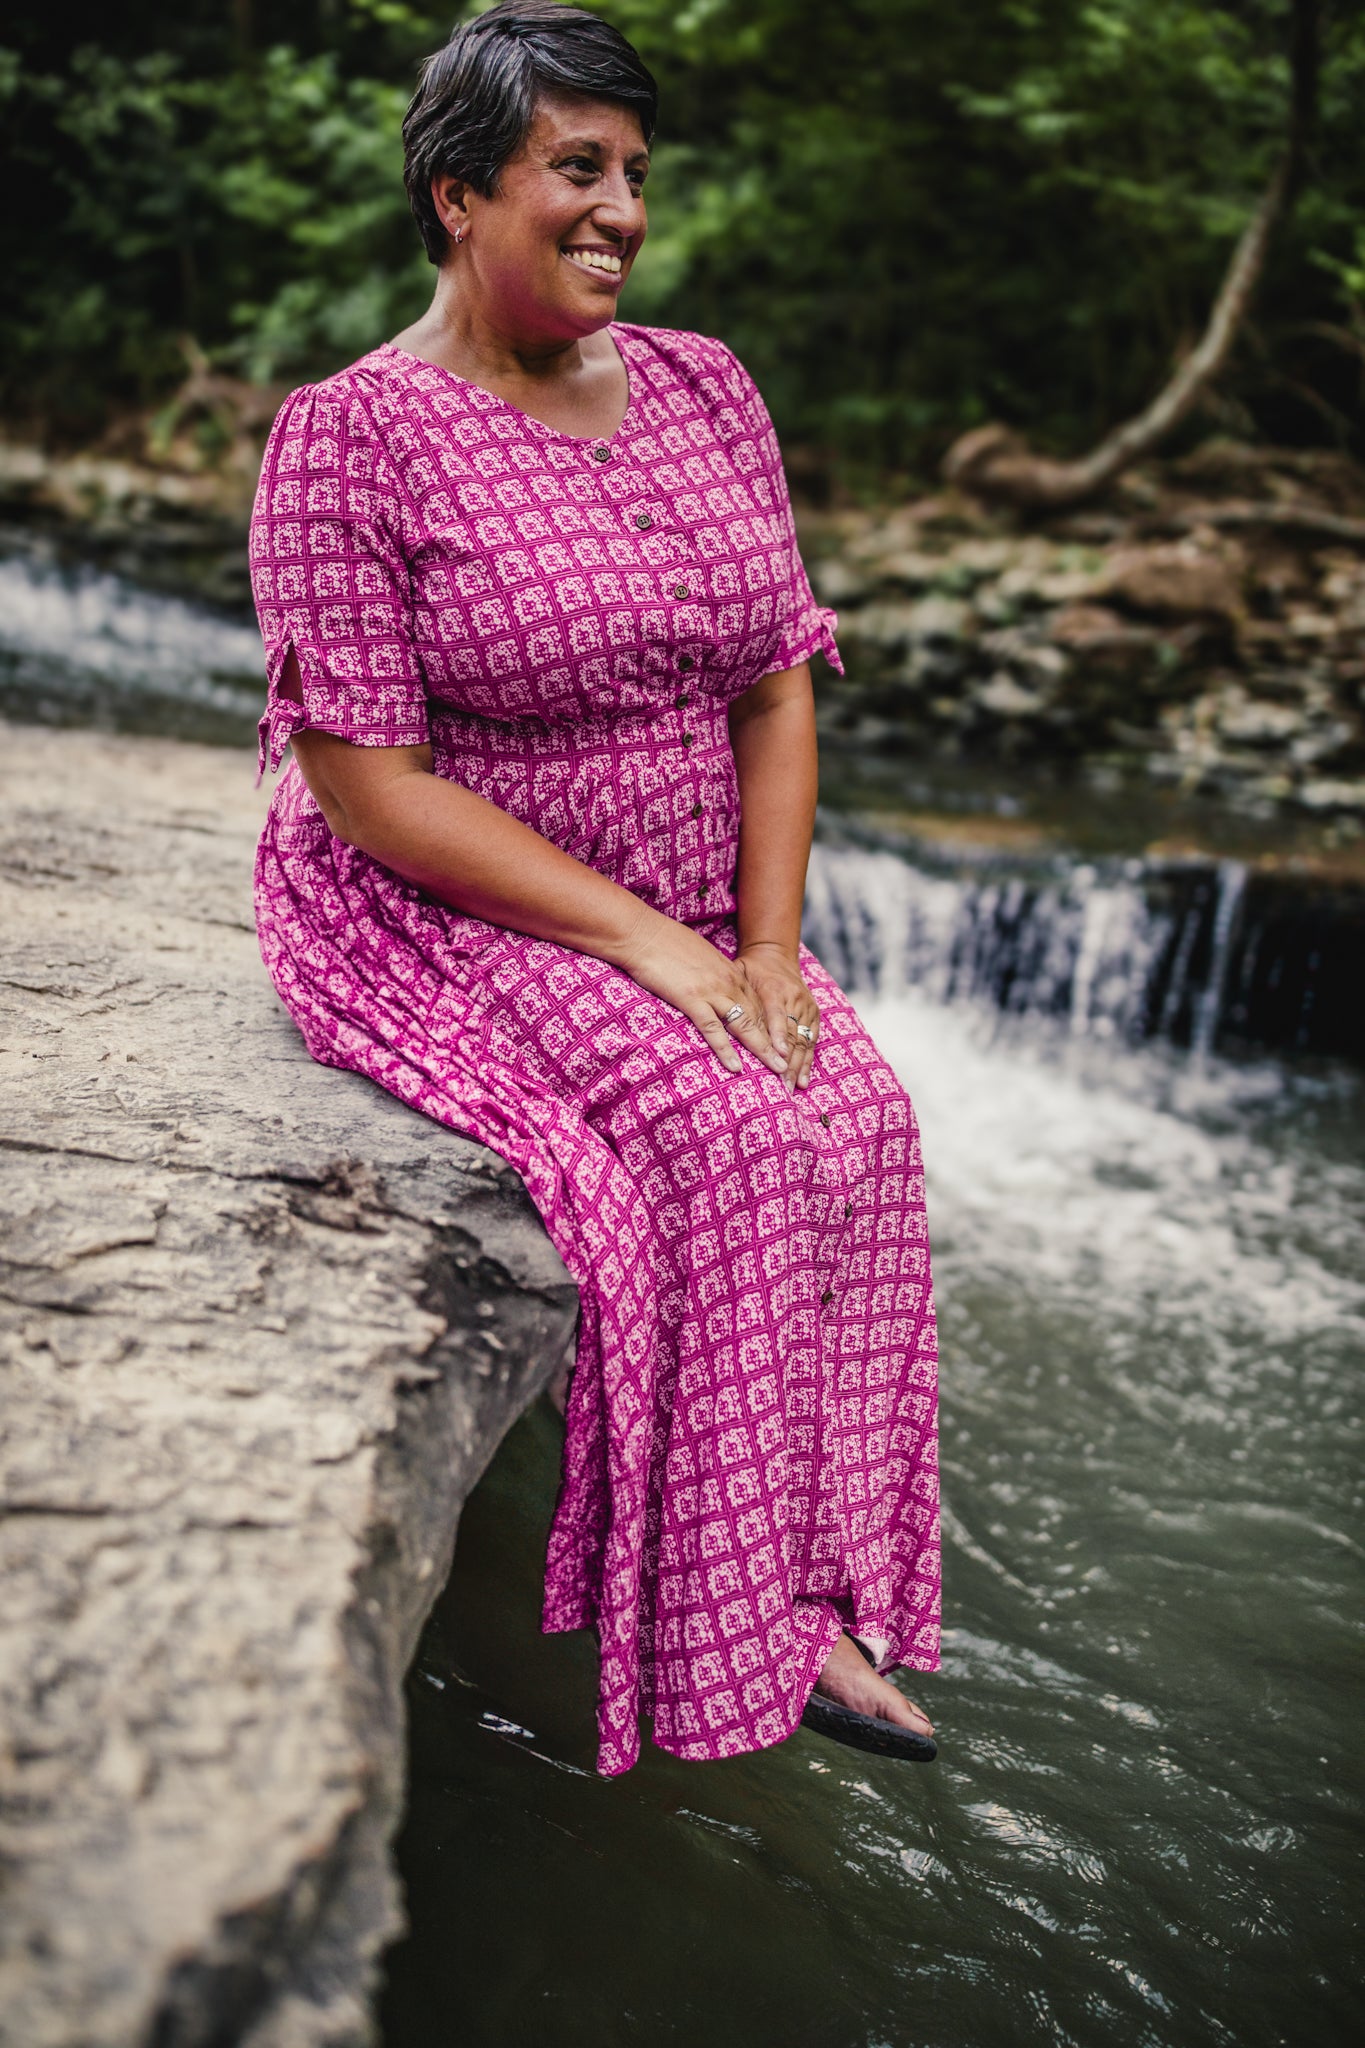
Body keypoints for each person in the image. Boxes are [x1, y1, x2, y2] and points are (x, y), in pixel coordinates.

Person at [249, 1, 939, 1777]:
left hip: (692, 898)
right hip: (444, 899)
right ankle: (730, 1634)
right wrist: (655, 950)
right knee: (712, 1142)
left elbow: (776, 678)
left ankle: (828, 1591)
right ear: (456, 192)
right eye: (577, 168)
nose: (619, 206)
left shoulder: (707, 385)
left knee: (854, 1115)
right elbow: (370, 785)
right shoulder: (352, 437)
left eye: (634, 172)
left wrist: (763, 944)